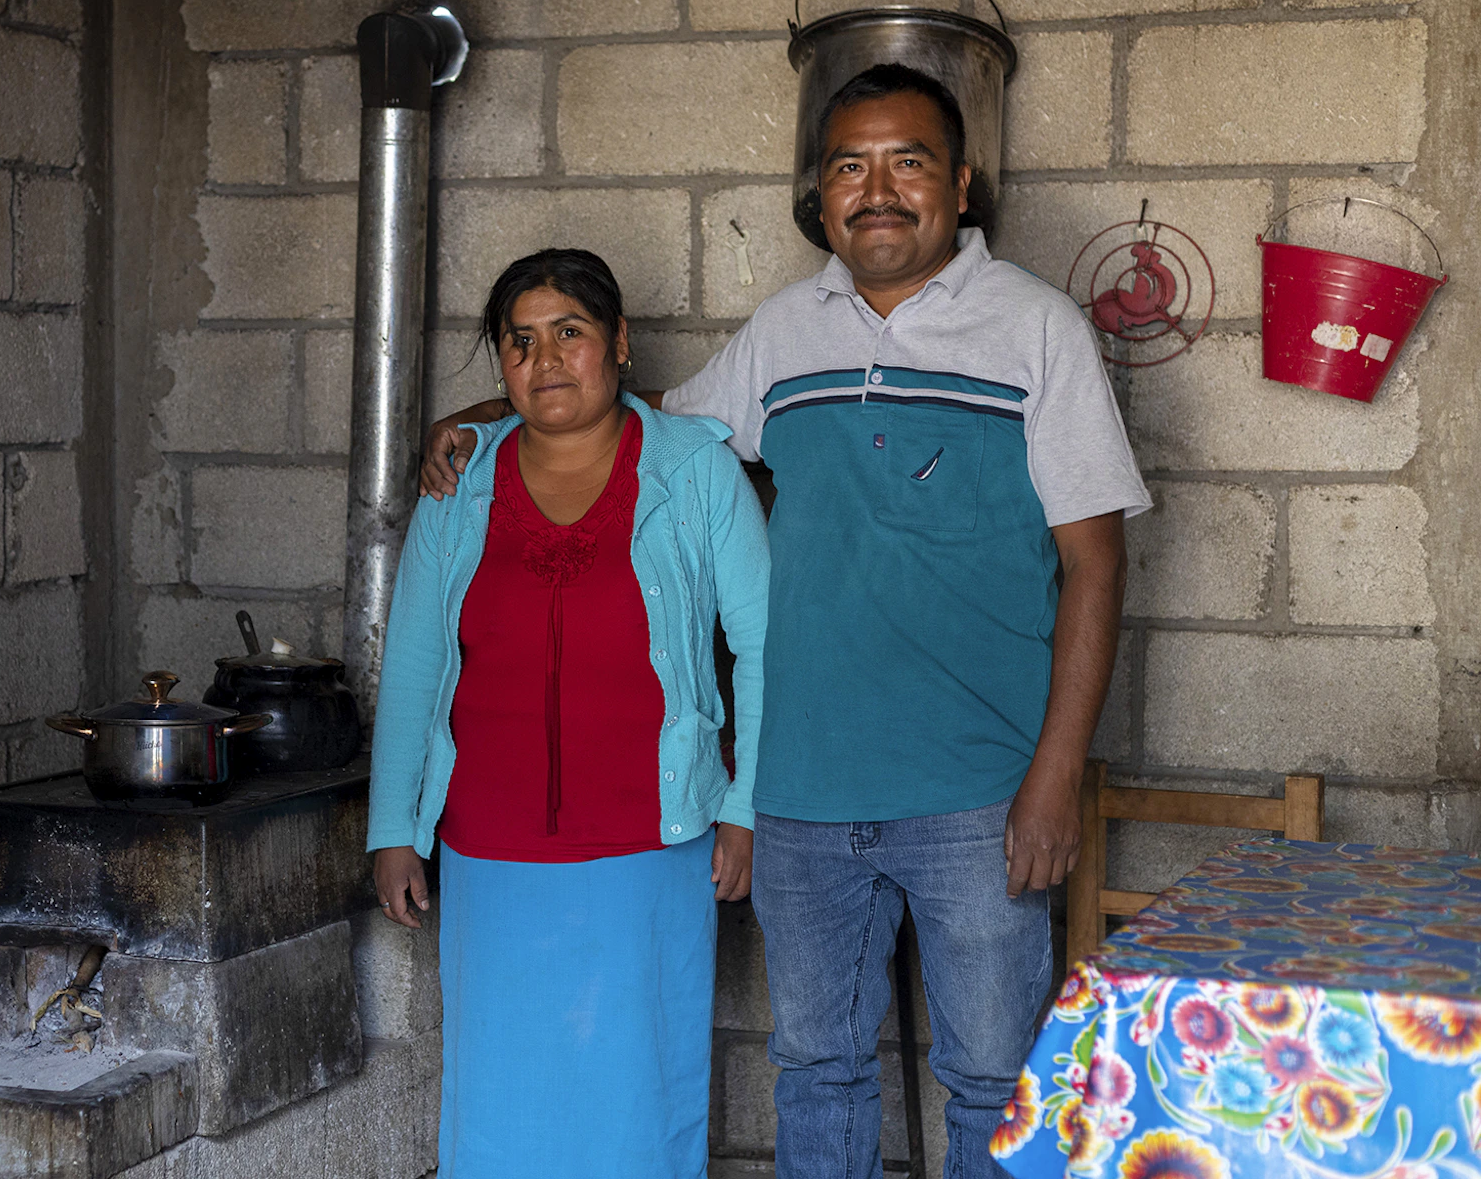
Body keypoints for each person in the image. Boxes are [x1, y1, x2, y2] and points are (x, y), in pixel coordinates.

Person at [417, 66, 1149, 1178]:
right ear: (820, 194)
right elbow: (643, 420)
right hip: (801, 795)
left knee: (993, 1084)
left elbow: (1095, 566)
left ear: (958, 182)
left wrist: (1054, 776)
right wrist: (482, 417)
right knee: (815, 1071)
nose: (877, 190)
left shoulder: (1035, 330)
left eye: (906, 161)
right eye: (848, 166)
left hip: (977, 790)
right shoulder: (782, 333)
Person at [368, 248, 770, 1179]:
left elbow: (765, 650)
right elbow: (419, 661)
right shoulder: (456, 486)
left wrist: (746, 806)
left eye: (570, 333)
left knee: (639, 1094)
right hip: (491, 852)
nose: (545, 359)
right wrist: (396, 826)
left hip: (651, 847)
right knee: (504, 1098)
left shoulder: (695, 471)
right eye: (520, 341)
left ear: (620, 343)